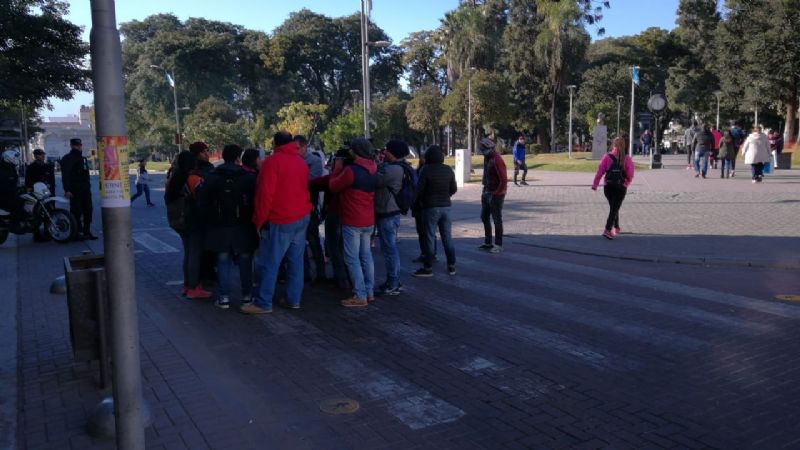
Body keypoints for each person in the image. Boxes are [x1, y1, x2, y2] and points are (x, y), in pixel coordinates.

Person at [243, 131, 312, 314]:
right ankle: (293, 299)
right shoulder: (300, 161)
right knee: (296, 262)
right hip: (301, 215)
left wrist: (259, 221)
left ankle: (263, 302)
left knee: (269, 262)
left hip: (281, 218)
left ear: (274, 144)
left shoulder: (272, 162)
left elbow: (265, 195)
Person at [201, 144, 258, 310]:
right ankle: (247, 296)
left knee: (222, 260)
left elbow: (203, 201)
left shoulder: (212, 176)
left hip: (219, 225)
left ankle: (224, 297)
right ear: (238, 158)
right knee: (245, 261)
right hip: (243, 225)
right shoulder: (248, 177)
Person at [328, 138, 377, 307]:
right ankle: (369, 292)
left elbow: (333, 186)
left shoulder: (351, 171)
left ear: (356, 151)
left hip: (352, 219)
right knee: (366, 256)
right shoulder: (374, 168)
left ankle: (360, 294)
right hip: (368, 219)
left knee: (352, 258)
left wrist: (337, 169)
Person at [164, 151, 211, 299]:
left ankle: (187, 285)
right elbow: (203, 198)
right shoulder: (193, 178)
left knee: (188, 253)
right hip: (193, 221)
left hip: (179, 221)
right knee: (194, 254)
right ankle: (193, 287)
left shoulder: (172, 179)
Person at [412, 145, 457, 277]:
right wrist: (446, 195)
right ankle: (451, 266)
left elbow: (419, 190)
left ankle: (428, 267)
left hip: (430, 207)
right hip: (446, 207)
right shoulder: (448, 169)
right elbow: (453, 189)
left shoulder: (426, 169)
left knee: (429, 237)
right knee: (447, 237)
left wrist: (417, 201)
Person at [374, 139, 410, 296]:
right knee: (390, 248)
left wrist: (374, 163)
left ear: (393, 152)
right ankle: (395, 281)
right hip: (391, 211)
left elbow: (375, 180)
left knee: (389, 250)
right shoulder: (399, 167)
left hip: (388, 212)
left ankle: (393, 283)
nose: (384, 152)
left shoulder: (393, 169)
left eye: (386, 150)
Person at [295, 135, 326, 283]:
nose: (295, 151)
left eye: (297, 148)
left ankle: (321, 274)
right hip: (296, 206)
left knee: (313, 241)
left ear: (304, 147)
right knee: (299, 243)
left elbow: (311, 182)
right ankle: (305, 273)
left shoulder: (314, 161)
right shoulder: (294, 160)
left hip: (309, 206)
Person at [592, 137, 634, 239]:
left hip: (608, 187)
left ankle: (616, 227)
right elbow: (630, 174)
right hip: (620, 187)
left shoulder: (607, 157)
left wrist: (595, 185)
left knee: (614, 207)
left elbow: (599, 171)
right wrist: (626, 183)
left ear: (613, 145)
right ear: (624, 146)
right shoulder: (627, 158)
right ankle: (607, 230)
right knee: (614, 209)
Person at [189, 141, 217, 285]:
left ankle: (197, 278)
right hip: (203, 214)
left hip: (192, 215)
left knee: (194, 250)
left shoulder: (187, 169)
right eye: (205, 151)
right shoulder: (203, 170)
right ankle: (199, 279)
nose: (207, 154)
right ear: (198, 153)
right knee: (202, 249)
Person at [60, 138, 97, 240]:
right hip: (75, 189)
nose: (79, 147)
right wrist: (67, 189)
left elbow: (86, 173)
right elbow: (65, 175)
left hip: (85, 189)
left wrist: (88, 185)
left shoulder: (83, 158)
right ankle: (76, 233)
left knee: (88, 210)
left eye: (80, 145)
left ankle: (86, 231)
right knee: (76, 211)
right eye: (77, 145)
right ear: (72, 146)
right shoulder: (67, 158)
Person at [478, 137, 507, 253]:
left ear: (488, 148)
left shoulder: (496, 159)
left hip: (496, 194)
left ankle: (498, 244)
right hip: (487, 191)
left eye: (483, 149)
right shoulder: (487, 158)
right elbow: (486, 176)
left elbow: (503, 180)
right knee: (484, 216)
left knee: (496, 219)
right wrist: (484, 190)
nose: (481, 152)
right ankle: (488, 242)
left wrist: (496, 193)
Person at [0, 149, 23, 221]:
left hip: (12, 193)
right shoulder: (2, 170)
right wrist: (15, 189)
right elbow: (4, 185)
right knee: (17, 204)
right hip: (4, 196)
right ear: (8, 158)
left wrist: (21, 187)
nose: (16, 159)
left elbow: (15, 181)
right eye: (14, 158)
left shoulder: (12, 168)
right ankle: (15, 223)